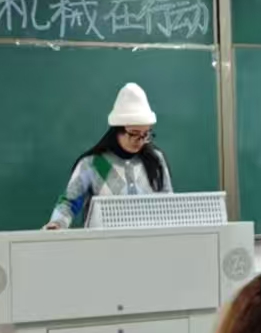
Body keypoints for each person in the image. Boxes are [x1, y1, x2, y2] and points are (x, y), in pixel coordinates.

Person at [46, 83, 173, 229]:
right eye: (134, 134)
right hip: (103, 242)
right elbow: (69, 202)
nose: (140, 140)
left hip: (151, 240)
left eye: (146, 134)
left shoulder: (155, 160)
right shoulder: (96, 163)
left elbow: (168, 205)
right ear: (117, 130)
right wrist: (58, 223)